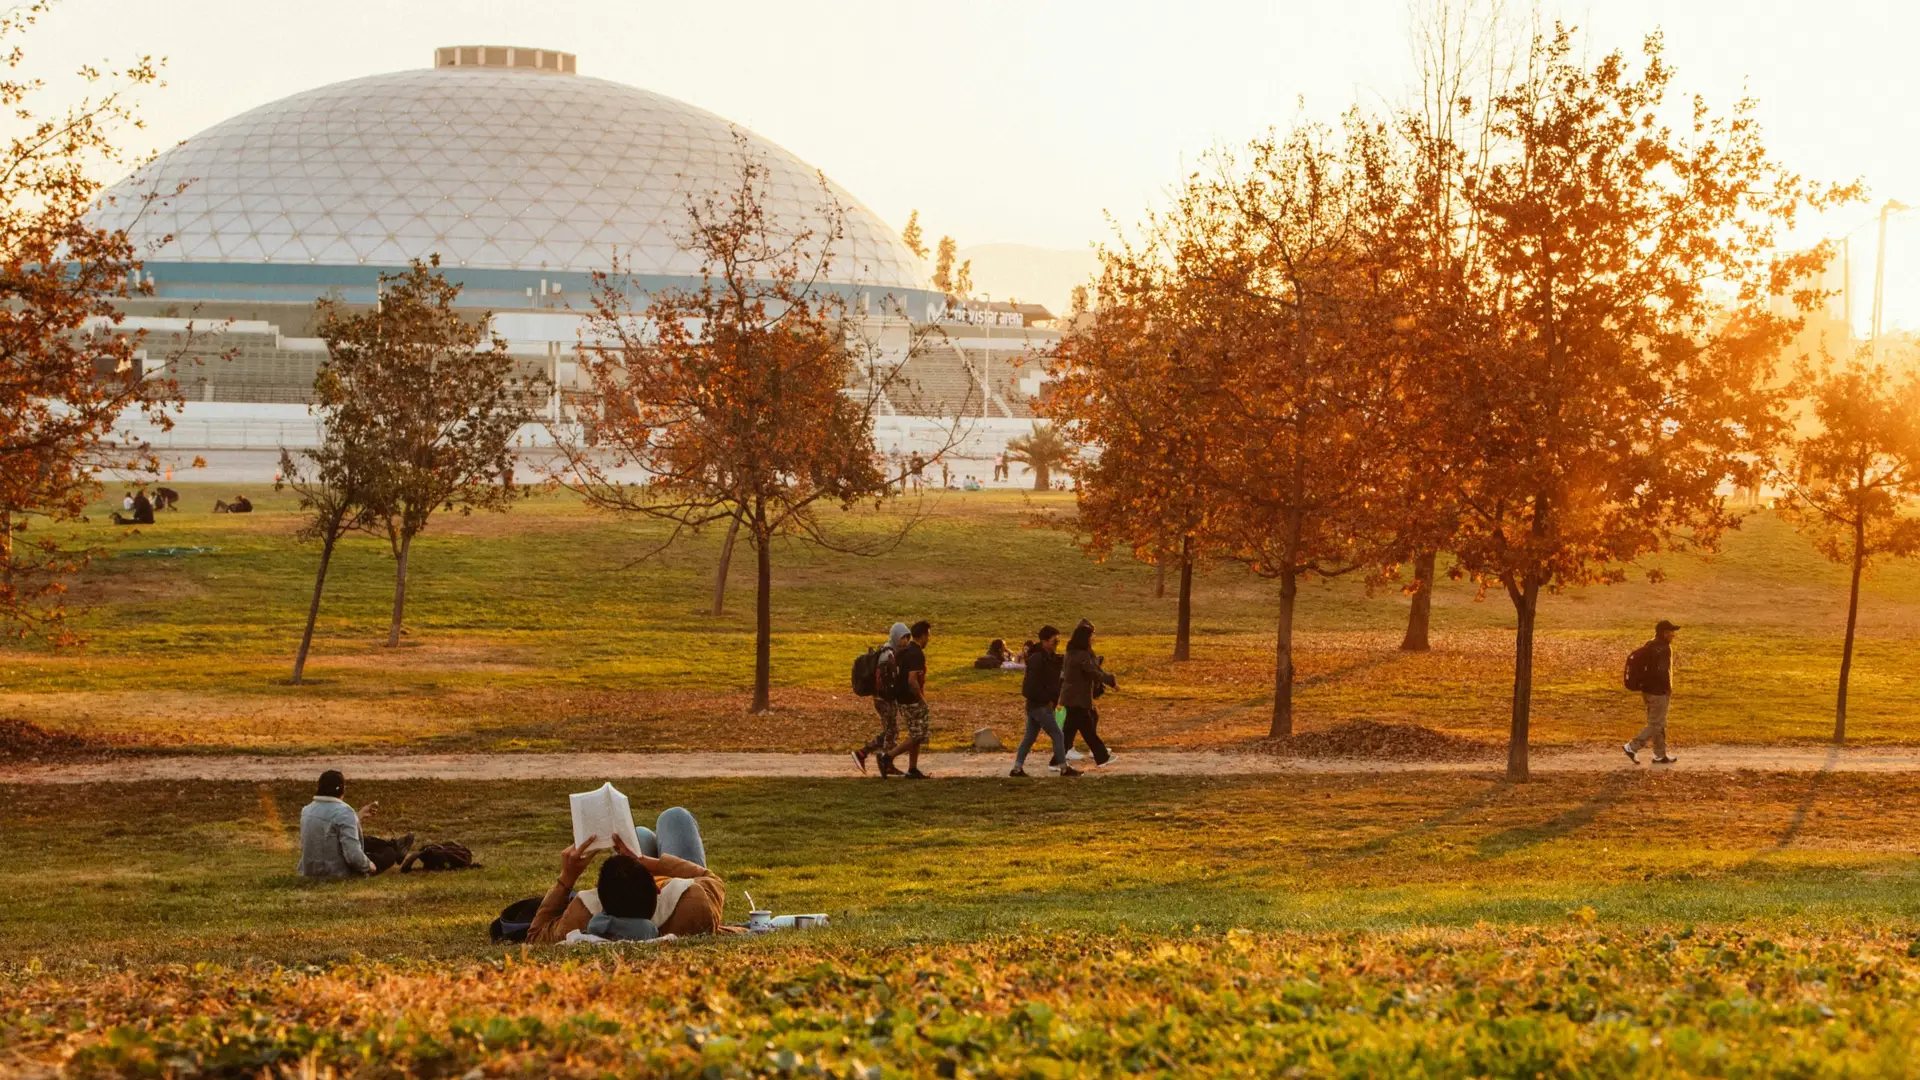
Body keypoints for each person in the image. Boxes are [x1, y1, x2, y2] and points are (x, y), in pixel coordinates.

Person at [526, 807, 729, 943]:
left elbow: (535, 936)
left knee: (640, 834)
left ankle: (640, 845)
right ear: (657, 887)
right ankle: (646, 850)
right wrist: (653, 864)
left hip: (633, 892)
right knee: (674, 817)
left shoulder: (583, 917)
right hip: (675, 893)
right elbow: (711, 880)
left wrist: (567, 878)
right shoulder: (695, 904)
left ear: (600, 897)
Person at [1011, 626, 1079, 778]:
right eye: (1055, 640)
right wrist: (1047, 699)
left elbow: (1058, 663)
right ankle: (1063, 768)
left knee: (1029, 738)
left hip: (1036, 706)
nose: (1057, 643)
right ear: (1044, 641)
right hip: (1040, 706)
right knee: (1058, 735)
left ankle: (1017, 768)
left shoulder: (1045, 656)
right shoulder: (1037, 659)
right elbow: (1029, 687)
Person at [298, 769, 381, 878]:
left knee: (372, 841)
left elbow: (330, 825)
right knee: (389, 853)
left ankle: (394, 844)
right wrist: (369, 866)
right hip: (335, 872)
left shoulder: (307, 810)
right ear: (342, 789)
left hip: (310, 871)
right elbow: (353, 856)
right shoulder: (344, 812)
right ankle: (395, 848)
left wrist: (358, 815)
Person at [853, 622, 909, 777]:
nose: (906, 641)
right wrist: (892, 697)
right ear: (896, 637)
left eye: (907, 638)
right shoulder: (888, 655)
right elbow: (886, 681)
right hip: (884, 699)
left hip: (882, 698)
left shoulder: (890, 650)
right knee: (892, 731)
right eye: (904, 638)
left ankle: (863, 753)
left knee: (890, 731)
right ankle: (885, 762)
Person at [1060, 620, 1117, 768]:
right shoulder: (1082, 655)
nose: (1093, 638)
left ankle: (1057, 760)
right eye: (1091, 636)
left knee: (1069, 732)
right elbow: (1093, 672)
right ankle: (1102, 756)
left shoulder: (1070, 653)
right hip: (1077, 697)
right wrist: (1111, 681)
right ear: (1084, 638)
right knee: (1088, 731)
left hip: (1071, 696)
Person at [880, 620, 933, 779]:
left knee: (914, 733)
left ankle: (913, 768)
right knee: (919, 735)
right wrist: (921, 699)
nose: (929, 639)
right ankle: (888, 757)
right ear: (923, 636)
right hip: (912, 699)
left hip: (901, 698)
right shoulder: (916, 653)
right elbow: (912, 680)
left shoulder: (905, 650)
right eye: (928, 635)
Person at [1624, 620, 1680, 765]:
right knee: (1656, 724)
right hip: (1658, 692)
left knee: (1659, 723)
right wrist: (1666, 689)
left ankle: (1660, 755)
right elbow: (1662, 672)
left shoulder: (1650, 644)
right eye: (1671, 632)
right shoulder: (1664, 648)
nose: (1673, 635)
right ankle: (1632, 747)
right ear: (1665, 633)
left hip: (1648, 691)